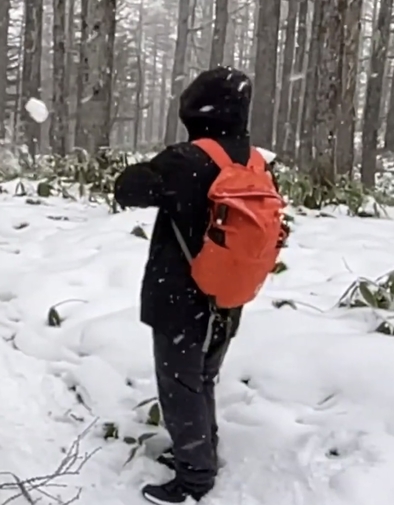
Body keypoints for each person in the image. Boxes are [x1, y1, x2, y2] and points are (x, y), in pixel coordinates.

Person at [113, 66, 287, 504]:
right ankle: (202, 450)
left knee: (179, 385)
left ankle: (194, 477)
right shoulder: (256, 161)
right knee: (204, 377)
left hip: (181, 294)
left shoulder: (187, 160)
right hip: (230, 291)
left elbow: (127, 190)